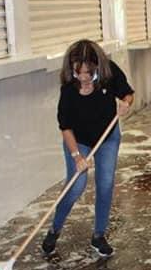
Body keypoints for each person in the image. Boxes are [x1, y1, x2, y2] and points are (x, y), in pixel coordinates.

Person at [43, 40, 134, 258]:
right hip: (78, 140)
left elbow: (127, 93)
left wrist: (125, 104)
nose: (83, 77)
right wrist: (76, 156)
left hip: (107, 138)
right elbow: (65, 126)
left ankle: (99, 235)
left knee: (105, 184)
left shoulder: (109, 72)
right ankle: (54, 229)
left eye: (88, 72)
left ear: (96, 67)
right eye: (78, 72)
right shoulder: (68, 89)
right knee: (76, 185)